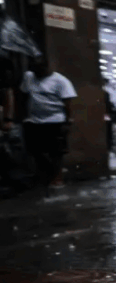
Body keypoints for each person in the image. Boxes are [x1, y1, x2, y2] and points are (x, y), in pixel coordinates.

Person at [21, 56, 76, 187]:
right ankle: (47, 174)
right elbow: (24, 94)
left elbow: (67, 103)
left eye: (39, 70)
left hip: (55, 120)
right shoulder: (28, 77)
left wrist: (67, 122)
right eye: (34, 70)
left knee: (56, 152)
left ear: (46, 67)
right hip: (34, 121)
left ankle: (57, 178)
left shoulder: (60, 81)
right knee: (35, 151)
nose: (36, 73)